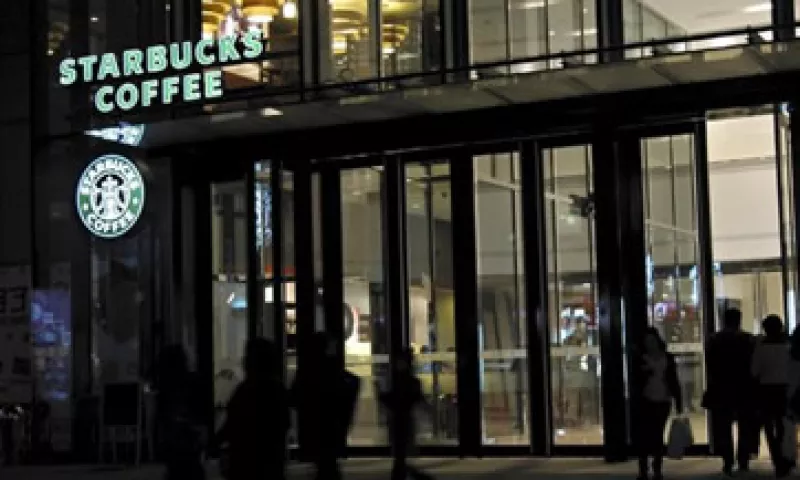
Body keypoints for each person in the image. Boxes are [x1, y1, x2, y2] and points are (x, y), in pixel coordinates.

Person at [215, 338, 289, 480]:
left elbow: (232, 425)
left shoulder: (245, 391)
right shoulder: (277, 390)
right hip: (270, 465)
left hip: (245, 464)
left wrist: (215, 442)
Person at [290, 333, 360, 480]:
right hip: (331, 424)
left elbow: (294, 397)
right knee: (329, 464)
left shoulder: (308, 369)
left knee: (324, 464)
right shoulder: (332, 370)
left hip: (316, 424)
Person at [704, 308, 756, 475]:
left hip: (722, 388)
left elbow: (711, 365)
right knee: (745, 425)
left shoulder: (714, 340)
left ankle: (727, 460)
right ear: (739, 320)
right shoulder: (748, 339)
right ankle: (743, 459)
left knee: (723, 426)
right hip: (744, 388)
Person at [632, 327, 683, 480]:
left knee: (657, 434)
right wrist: (645, 372)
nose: (650, 344)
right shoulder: (641, 358)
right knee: (644, 435)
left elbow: (674, 379)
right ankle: (643, 469)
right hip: (646, 400)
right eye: (647, 341)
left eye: (652, 341)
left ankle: (657, 467)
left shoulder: (667, 357)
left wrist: (678, 400)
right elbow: (635, 379)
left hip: (663, 400)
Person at [381, 349, 434, 480]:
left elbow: (414, 398)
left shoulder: (403, 381)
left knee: (400, 453)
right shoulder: (406, 381)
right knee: (400, 453)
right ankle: (405, 473)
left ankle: (403, 473)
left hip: (402, 419)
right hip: (400, 419)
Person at [156, 345, 206, 480]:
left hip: (178, 445)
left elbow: (162, 420)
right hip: (187, 444)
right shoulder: (193, 383)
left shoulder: (165, 389)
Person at [752, 315, 793, 477]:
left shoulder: (761, 348)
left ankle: (777, 459)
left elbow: (754, 371)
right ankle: (785, 455)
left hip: (766, 390)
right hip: (784, 389)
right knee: (783, 425)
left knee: (769, 426)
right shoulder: (788, 347)